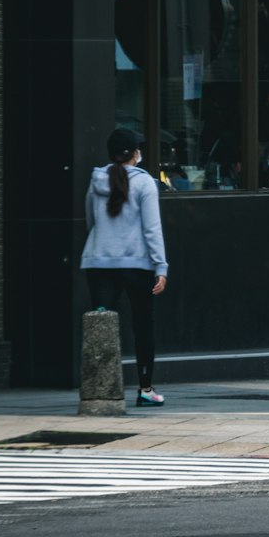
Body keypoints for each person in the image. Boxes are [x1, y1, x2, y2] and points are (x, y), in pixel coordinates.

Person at [81, 128, 169, 407]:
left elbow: (90, 220)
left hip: (99, 262)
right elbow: (152, 229)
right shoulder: (145, 184)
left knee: (101, 326)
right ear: (135, 154)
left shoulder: (96, 180)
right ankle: (145, 389)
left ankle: (99, 387)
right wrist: (161, 266)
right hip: (137, 264)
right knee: (143, 325)